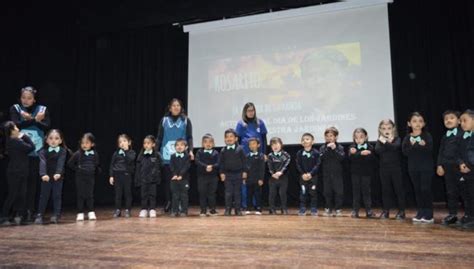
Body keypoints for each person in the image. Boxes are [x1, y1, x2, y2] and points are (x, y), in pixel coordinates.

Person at [10, 86, 51, 221]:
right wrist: (34, 120)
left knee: (33, 182)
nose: (26, 101)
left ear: (34, 100)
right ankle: (17, 211)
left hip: (36, 152)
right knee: (19, 183)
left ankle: (29, 210)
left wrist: (33, 120)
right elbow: (15, 125)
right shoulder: (15, 108)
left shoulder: (42, 110)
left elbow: (47, 126)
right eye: (23, 98)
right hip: (20, 153)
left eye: (29, 98)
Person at [156, 98, 193, 213]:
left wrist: (191, 150)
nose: (176, 107)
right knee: (169, 181)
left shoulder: (186, 120)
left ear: (181, 108)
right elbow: (159, 137)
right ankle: (169, 202)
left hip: (182, 156)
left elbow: (189, 137)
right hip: (166, 154)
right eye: (174, 105)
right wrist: (155, 151)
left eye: (178, 105)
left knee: (182, 180)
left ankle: (181, 203)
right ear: (170, 108)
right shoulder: (164, 120)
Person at [402, 112, 434, 224]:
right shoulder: (407, 137)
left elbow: (430, 149)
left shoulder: (427, 136)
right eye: (414, 121)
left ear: (424, 123)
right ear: (409, 123)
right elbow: (405, 152)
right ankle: (420, 212)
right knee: (418, 190)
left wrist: (422, 146)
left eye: (420, 121)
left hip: (426, 168)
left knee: (425, 189)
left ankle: (429, 214)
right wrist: (415, 145)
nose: (417, 123)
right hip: (413, 168)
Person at [1, 121, 35, 225]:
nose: (17, 128)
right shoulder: (15, 141)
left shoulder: (12, 141)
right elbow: (31, 147)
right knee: (13, 194)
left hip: (21, 171)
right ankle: (4, 216)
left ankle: (18, 215)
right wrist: (24, 136)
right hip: (15, 172)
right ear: (11, 130)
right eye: (15, 127)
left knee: (21, 194)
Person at [34, 129, 68, 224]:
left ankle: (56, 214)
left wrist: (58, 173)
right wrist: (43, 174)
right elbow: (42, 163)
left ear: (60, 141)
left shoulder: (62, 151)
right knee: (43, 196)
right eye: (51, 138)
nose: (53, 140)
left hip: (58, 177)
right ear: (47, 140)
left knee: (57, 196)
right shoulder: (42, 151)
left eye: (56, 138)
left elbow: (61, 162)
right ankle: (40, 214)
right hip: (46, 177)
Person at [375, 119, 406, 220]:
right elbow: (378, 150)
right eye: (384, 128)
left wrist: (385, 142)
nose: (386, 130)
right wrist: (386, 143)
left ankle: (401, 211)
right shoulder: (379, 140)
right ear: (380, 130)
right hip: (383, 169)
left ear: (393, 129)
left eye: (389, 128)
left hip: (396, 168)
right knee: (385, 190)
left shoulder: (397, 139)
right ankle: (386, 211)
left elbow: (395, 147)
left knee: (399, 190)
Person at [68, 133, 101, 222]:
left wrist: (94, 170)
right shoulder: (78, 153)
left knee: (90, 194)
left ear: (92, 144)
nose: (84, 145)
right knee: (80, 195)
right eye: (83, 143)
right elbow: (70, 163)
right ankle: (80, 212)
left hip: (90, 177)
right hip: (80, 177)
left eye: (87, 143)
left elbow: (96, 163)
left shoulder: (94, 153)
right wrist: (77, 169)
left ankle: (91, 211)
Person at [348, 128, 376, 218]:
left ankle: (368, 210)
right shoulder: (352, 147)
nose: (358, 139)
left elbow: (372, 159)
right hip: (355, 173)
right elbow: (350, 158)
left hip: (366, 173)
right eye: (356, 137)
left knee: (366, 192)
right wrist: (360, 154)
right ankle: (355, 210)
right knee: (356, 192)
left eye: (361, 137)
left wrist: (359, 154)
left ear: (366, 137)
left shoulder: (370, 147)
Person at [219, 129, 247, 216]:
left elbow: (244, 161)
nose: (229, 138)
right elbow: (221, 163)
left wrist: (245, 171)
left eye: (231, 136)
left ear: (236, 138)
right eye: (226, 137)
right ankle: (228, 209)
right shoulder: (223, 150)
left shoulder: (240, 149)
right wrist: (222, 173)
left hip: (238, 174)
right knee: (228, 193)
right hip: (228, 175)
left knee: (237, 193)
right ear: (224, 139)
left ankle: (238, 210)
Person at [319, 127, 345, 217]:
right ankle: (328, 208)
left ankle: (338, 209)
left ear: (336, 137)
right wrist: (327, 149)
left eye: (331, 136)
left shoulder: (340, 147)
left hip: (337, 174)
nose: (329, 138)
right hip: (326, 174)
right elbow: (321, 158)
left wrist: (334, 149)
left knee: (339, 192)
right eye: (327, 136)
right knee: (327, 192)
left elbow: (341, 158)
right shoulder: (323, 147)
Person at [109, 134, 136, 218]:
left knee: (127, 193)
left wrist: (126, 151)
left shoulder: (132, 152)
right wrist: (111, 176)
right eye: (120, 142)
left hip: (127, 175)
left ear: (129, 142)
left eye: (124, 141)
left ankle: (128, 210)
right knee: (118, 194)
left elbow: (130, 160)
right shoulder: (116, 153)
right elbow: (112, 165)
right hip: (117, 175)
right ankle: (118, 209)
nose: (122, 143)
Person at [135, 135, 162, 218]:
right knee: (144, 195)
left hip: (152, 180)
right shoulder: (141, 155)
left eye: (148, 143)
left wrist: (156, 177)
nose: (146, 145)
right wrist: (138, 178)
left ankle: (152, 209)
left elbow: (159, 167)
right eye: (144, 143)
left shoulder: (156, 155)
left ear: (153, 144)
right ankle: (144, 209)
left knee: (152, 195)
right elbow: (138, 167)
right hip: (143, 179)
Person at [295, 133, 320, 216]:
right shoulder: (299, 153)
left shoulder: (316, 153)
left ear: (312, 142)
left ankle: (313, 207)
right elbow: (298, 164)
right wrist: (303, 174)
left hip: (313, 177)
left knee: (313, 192)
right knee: (303, 192)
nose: (304, 141)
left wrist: (311, 174)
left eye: (307, 139)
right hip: (303, 177)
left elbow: (317, 165)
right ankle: (302, 207)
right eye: (303, 139)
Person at [195, 134, 219, 217]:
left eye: (210, 142)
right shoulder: (199, 152)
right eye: (205, 142)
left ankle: (212, 209)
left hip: (213, 177)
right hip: (202, 177)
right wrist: (206, 166)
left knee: (212, 193)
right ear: (202, 144)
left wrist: (212, 166)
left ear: (213, 144)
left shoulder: (216, 153)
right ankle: (203, 210)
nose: (208, 144)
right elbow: (197, 161)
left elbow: (219, 163)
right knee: (202, 193)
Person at [267, 137, 291, 215]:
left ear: (281, 144)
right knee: (272, 193)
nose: (275, 146)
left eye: (276, 144)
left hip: (283, 177)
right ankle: (272, 209)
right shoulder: (270, 156)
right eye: (272, 144)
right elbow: (269, 166)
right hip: (273, 178)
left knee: (282, 193)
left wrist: (281, 172)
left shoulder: (286, 155)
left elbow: (287, 165)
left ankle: (284, 208)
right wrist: (273, 173)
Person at [170, 138, 191, 217]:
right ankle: (175, 210)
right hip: (174, 179)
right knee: (175, 195)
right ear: (175, 147)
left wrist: (181, 175)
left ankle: (184, 211)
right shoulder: (172, 156)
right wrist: (175, 174)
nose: (179, 147)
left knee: (184, 195)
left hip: (184, 179)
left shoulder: (187, 156)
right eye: (177, 145)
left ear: (186, 147)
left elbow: (186, 166)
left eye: (182, 145)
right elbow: (171, 166)